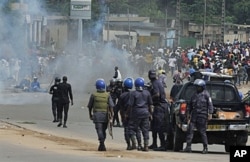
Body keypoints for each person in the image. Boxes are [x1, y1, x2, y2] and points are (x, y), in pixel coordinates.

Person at [183, 79, 213, 154]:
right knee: (190, 130)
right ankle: (188, 146)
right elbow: (190, 105)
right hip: (194, 115)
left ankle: (205, 147)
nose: (197, 88)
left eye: (199, 87)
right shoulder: (194, 95)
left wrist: (210, 113)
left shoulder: (206, 95)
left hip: (202, 115)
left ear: (203, 87)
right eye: (196, 87)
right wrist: (188, 114)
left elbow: (210, 105)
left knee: (202, 132)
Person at [87, 79, 115, 151]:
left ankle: (101, 143)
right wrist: (111, 115)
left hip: (97, 115)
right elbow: (111, 106)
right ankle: (102, 143)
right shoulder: (107, 95)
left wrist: (90, 114)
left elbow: (90, 106)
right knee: (103, 130)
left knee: (99, 130)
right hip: (105, 116)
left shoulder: (93, 95)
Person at [127, 77, 153, 151]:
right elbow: (150, 105)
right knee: (145, 130)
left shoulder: (133, 93)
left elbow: (130, 105)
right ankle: (146, 146)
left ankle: (135, 144)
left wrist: (127, 113)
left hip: (136, 113)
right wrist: (150, 114)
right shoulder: (147, 93)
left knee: (133, 129)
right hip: (145, 113)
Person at [147, 69, 170, 151]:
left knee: (159, 127)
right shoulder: (157, 82)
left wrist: (149, 99)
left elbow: (157, 94)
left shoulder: (155, 83)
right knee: (154, 126)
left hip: (159, 107)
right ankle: (154, 143)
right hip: (159, 106)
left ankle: (163, 145)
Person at [117, 77, 142, 150]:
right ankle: (139, 144)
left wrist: (122, 116)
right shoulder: (135, 93)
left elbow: (120, 107)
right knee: (137, 129)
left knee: (127, 130)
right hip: (135, 114)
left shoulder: (122, 96)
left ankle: (129, 144)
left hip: (126, 114)